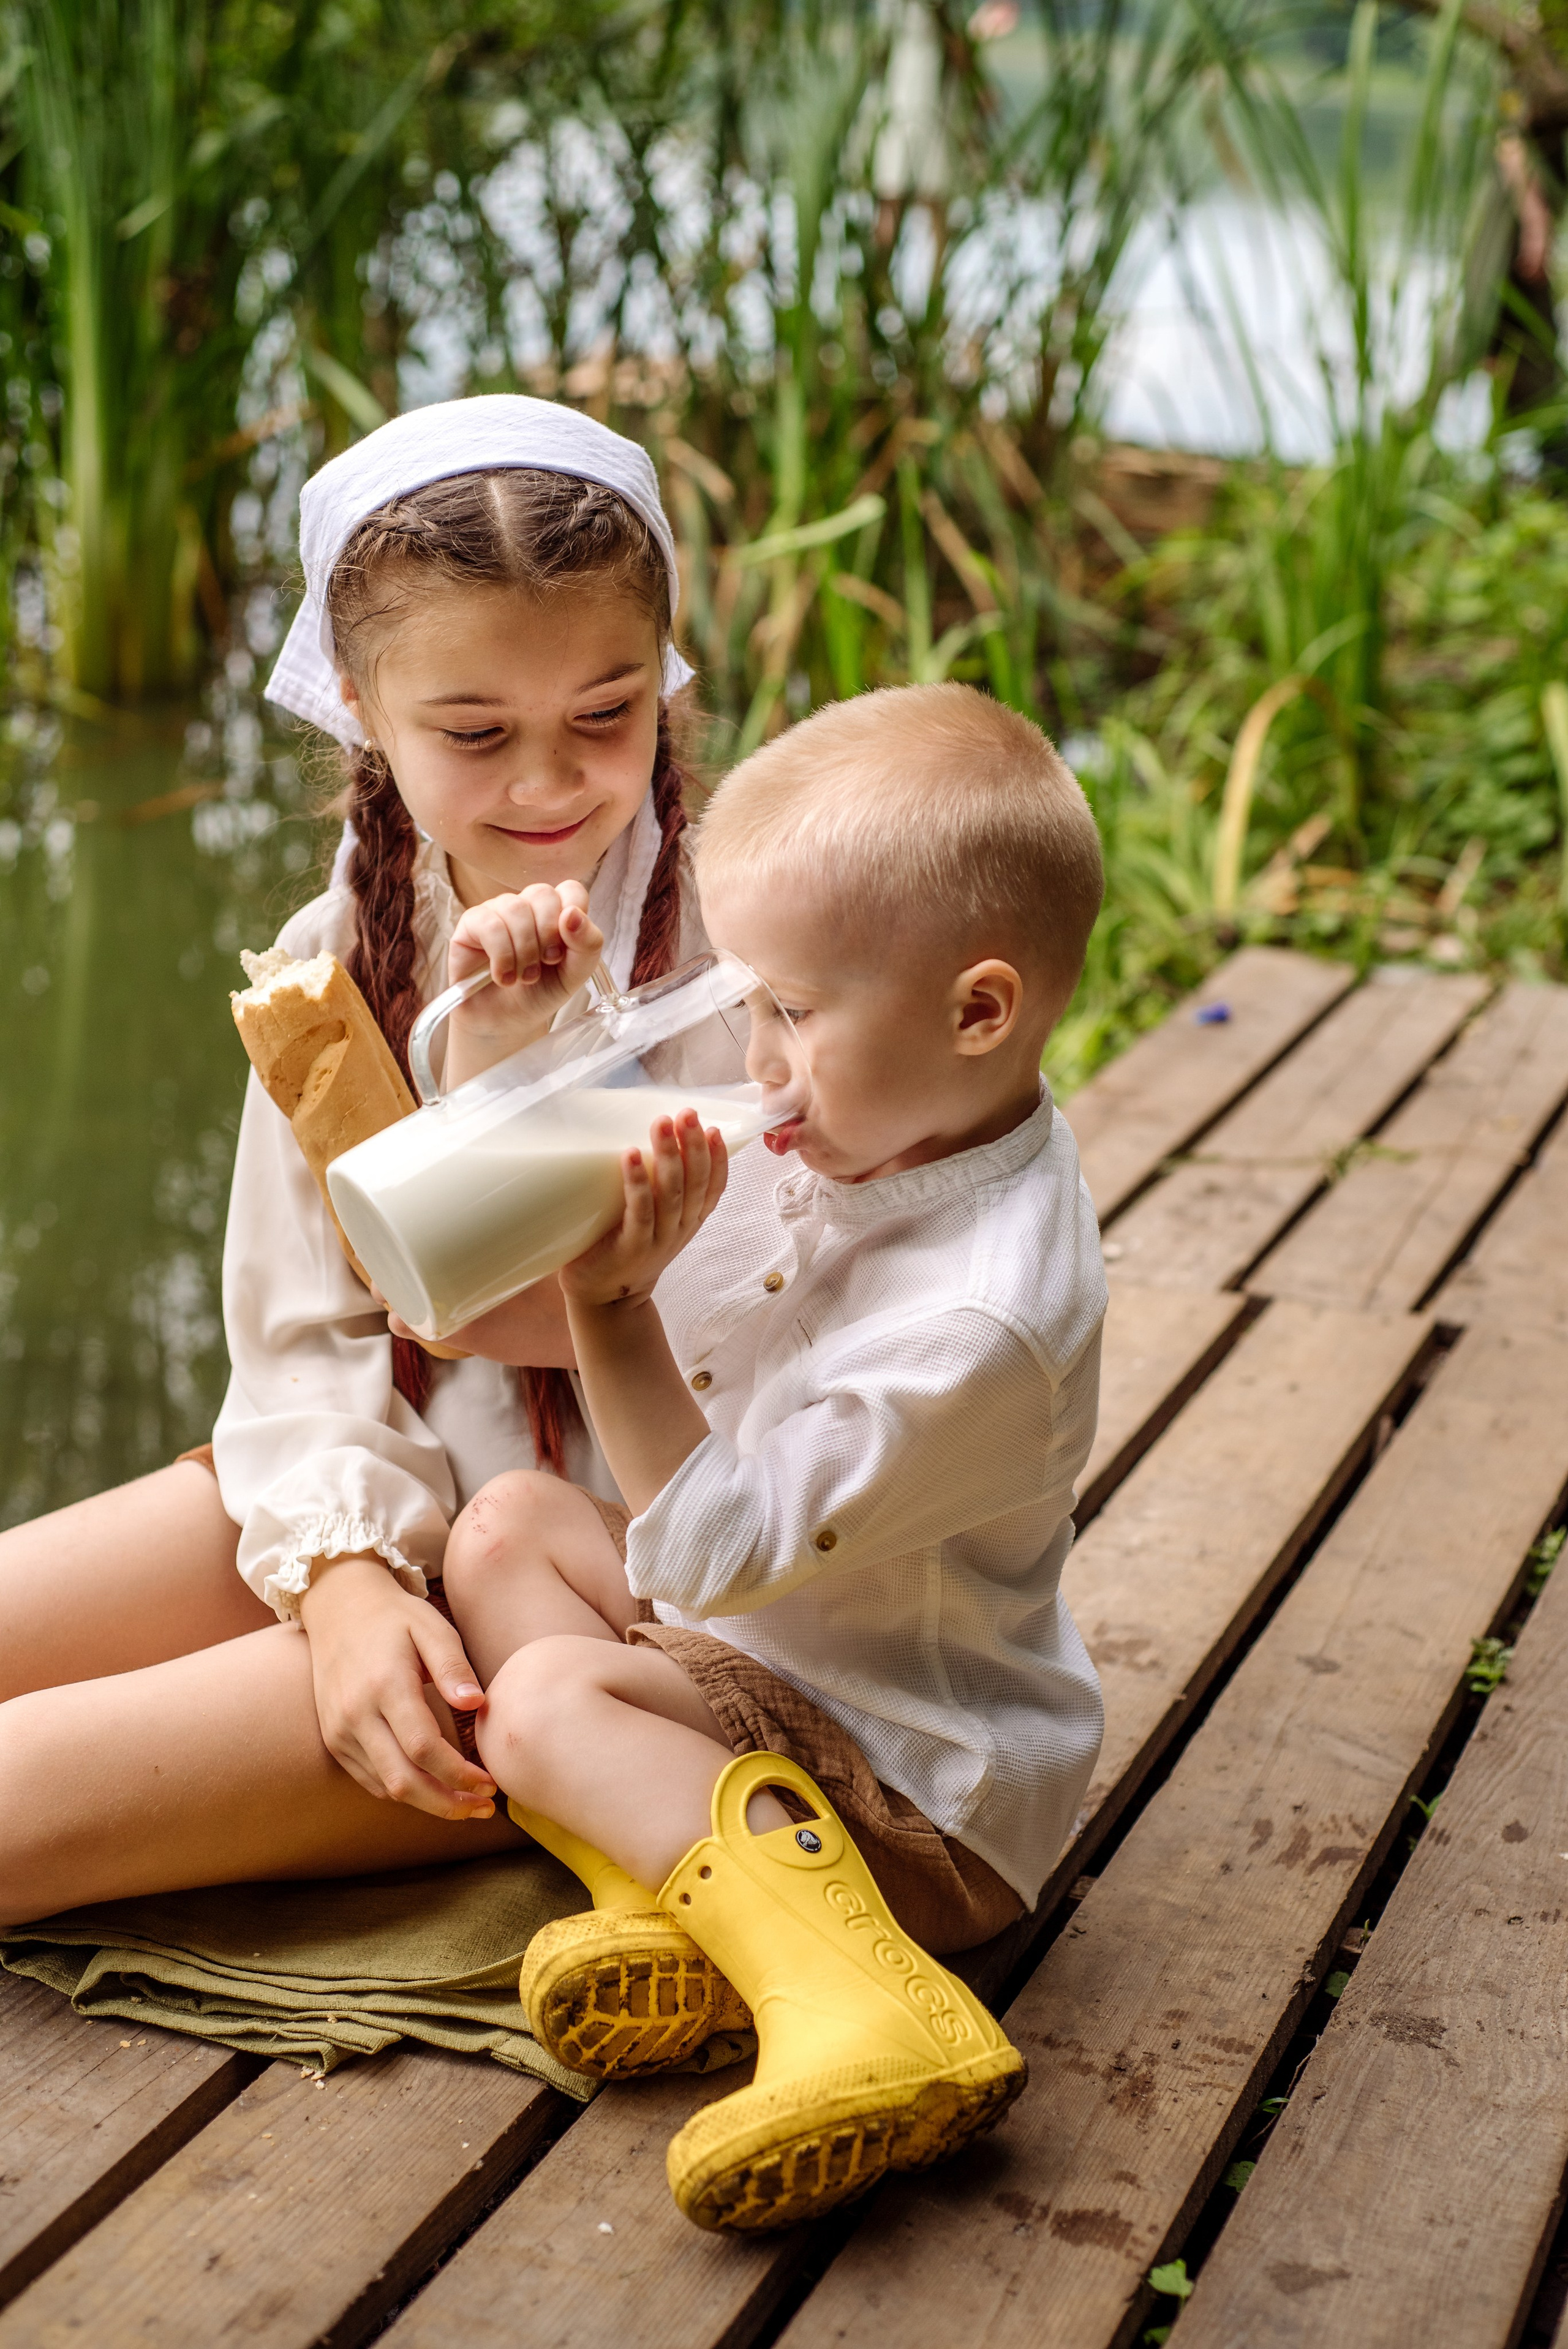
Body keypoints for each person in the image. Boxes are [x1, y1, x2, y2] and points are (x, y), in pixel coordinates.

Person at [0, 396, 709, 1911]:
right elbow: (299, 1326)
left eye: (607, 713)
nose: (547, 784)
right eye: (473, 732)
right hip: (377, 1466)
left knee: (17, 1798)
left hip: (603, 1586)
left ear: (666, 681)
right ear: (357, 711)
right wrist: (335, 1576)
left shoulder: (750, 945)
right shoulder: (336, 966)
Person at [428, 682, 1109, 2230]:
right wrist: (530, 1034)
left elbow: (713, 1543)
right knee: (509, 1525)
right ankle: (681, 1908)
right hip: (780, 1672)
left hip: (912, 1784)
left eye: (788, 1011)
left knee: (540, 1696)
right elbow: (558, 1208)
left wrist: (610, 1311)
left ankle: (866, 2007)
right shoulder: (880, 1122)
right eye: (749, 1005)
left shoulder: (981, 1315)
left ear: (977, 1009)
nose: (756, 1056)